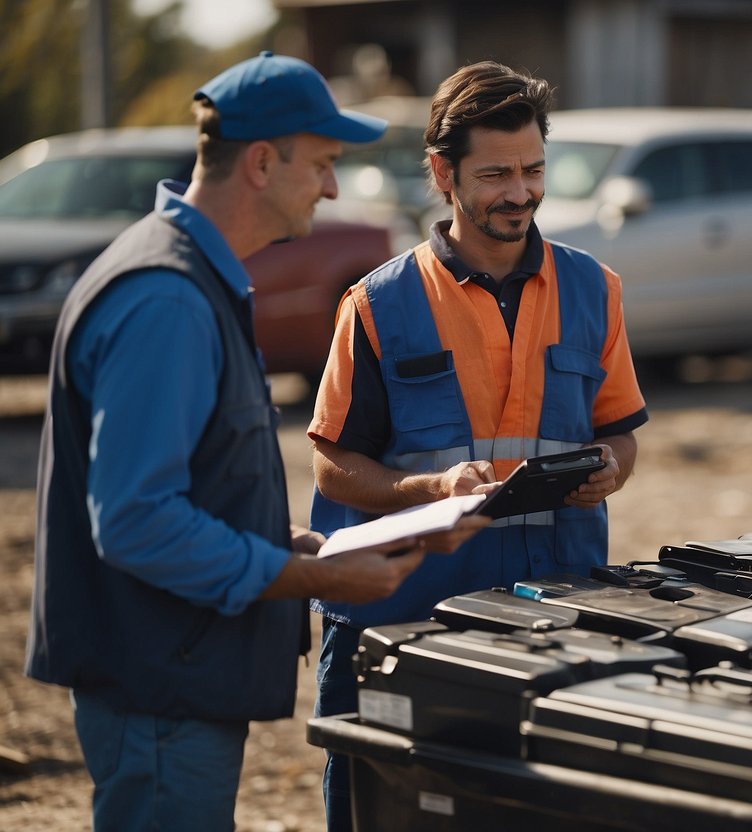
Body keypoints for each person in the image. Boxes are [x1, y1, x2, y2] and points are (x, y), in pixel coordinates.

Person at [23, 52, 486, 832]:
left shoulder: (188, 276)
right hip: (159, 687)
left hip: (171, 675)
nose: (333, 188)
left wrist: (294, 548)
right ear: (264, 162)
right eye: (325, 164)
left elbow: (185, 485)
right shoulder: (165, 297)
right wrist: (306, 579)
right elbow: (138, 521)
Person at [308, 60, 649, 829]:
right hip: (407, 628)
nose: (520, 192)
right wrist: (428, 492)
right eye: (495, 173)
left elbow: (619, 434)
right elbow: (332, 464)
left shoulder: (595, 289)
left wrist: (610, 471)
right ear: (442, 172)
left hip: (554, 618)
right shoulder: (377, 304)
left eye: (533, 170)